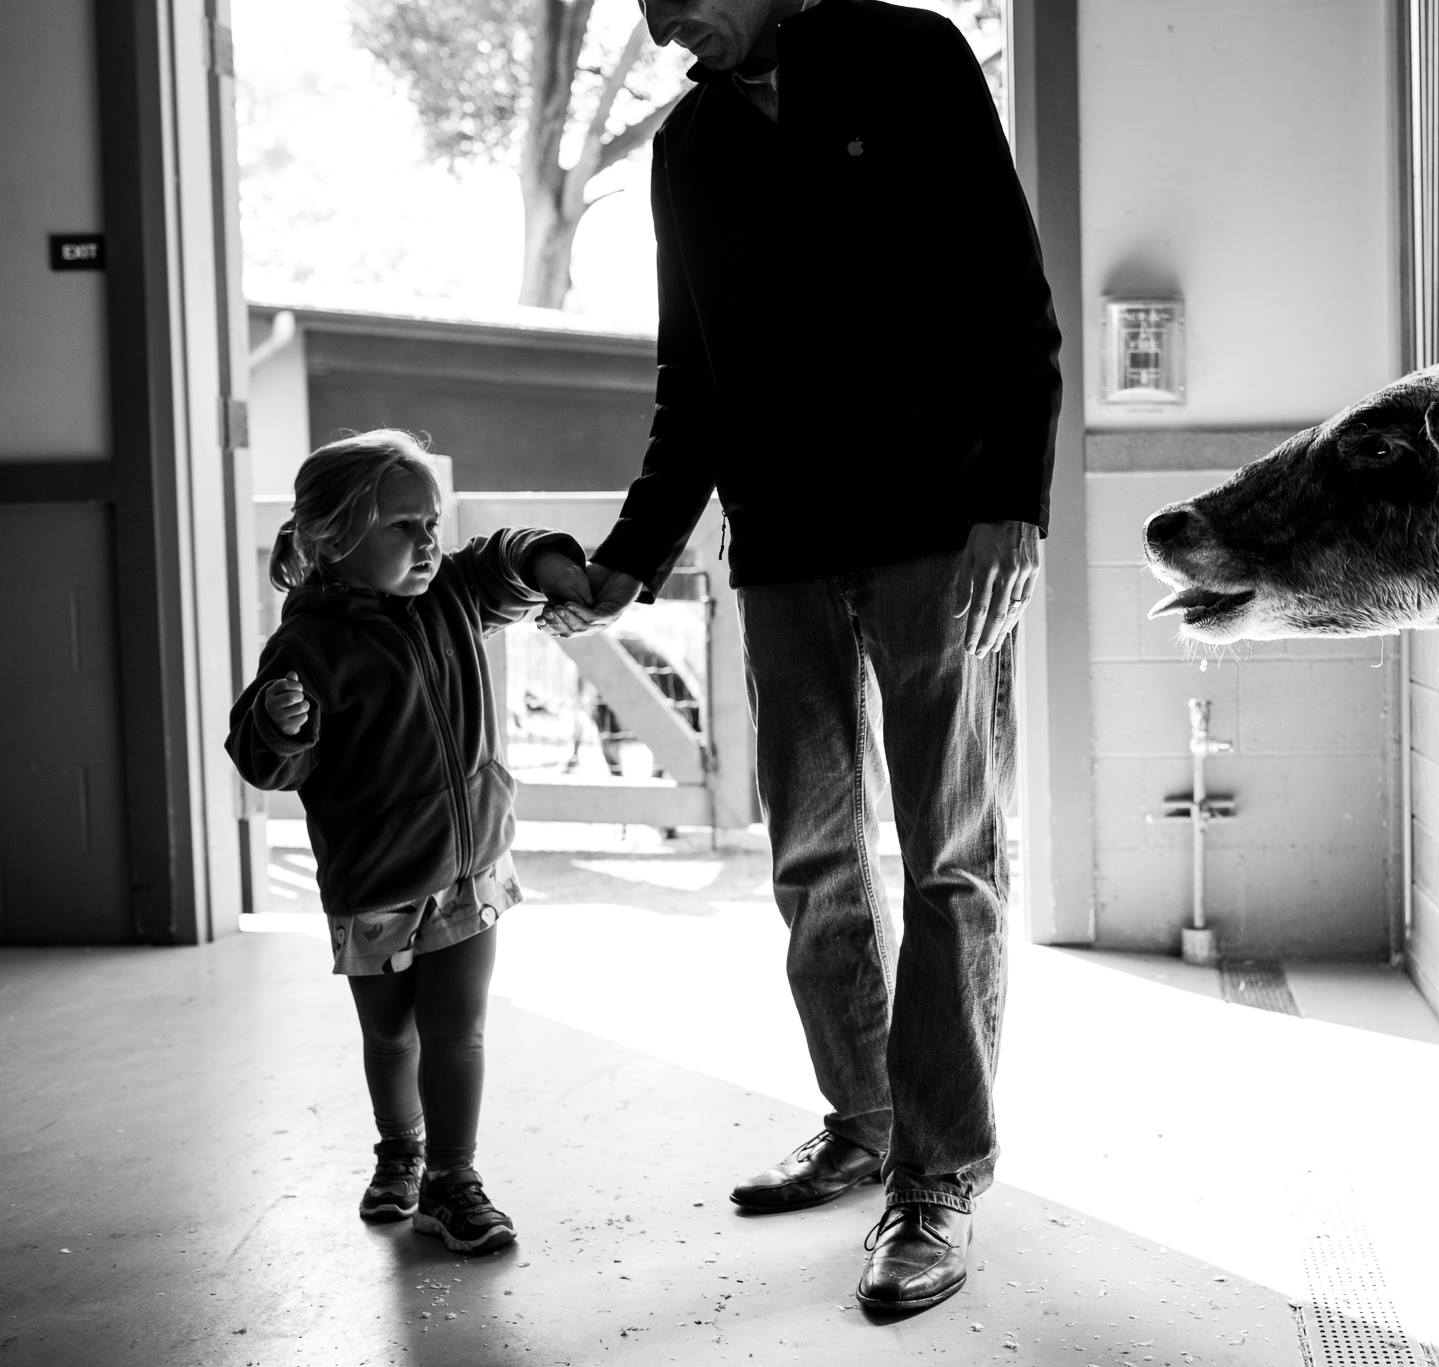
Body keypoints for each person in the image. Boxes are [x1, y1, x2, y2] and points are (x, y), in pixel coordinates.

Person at [544, 0, 1061, 1313]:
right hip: (778, 553)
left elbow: (1011, 300)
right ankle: (867, 1114)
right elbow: (693, 387)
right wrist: (631, 557)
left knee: (950, 856)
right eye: (647, 2)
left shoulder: (911, 58)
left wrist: (1014, 503)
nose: (664, 20)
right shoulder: (685, 149)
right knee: (811, 853)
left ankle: (936, 1180)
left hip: (938, 534)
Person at [226, 430, 589, 1255]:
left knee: (458, 1029)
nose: (428, 541)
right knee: (392, 1033)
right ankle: (400, 1150)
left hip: (469, 870)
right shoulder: (307, 644)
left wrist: (550, 563)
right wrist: (281, 729)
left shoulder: (453, 591)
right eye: (402, 527)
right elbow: (268, 762)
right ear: (331, 541)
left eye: (431, 521)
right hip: (377, 881)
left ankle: (451, 1181)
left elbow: (503, 554)